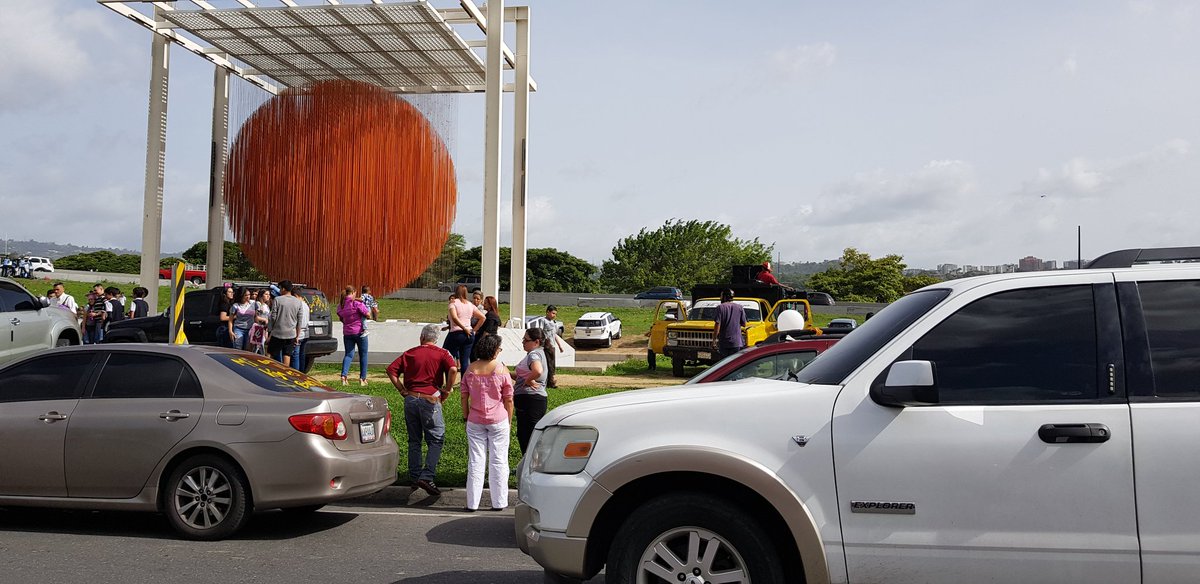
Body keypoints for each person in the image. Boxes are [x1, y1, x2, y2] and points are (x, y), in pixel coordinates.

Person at [386, 323, 458, 497]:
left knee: (414, 440)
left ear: (421, 337)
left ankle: (415, 476)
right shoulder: (442, 353)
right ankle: (427, 476)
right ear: (436, 339)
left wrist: (401, 389)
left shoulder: (410, 352)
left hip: (411, 399)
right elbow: (453, 369)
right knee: (435, 439)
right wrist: (447, 390)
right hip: (430, 399)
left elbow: (391, 370)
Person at [459, 334, 514, 512]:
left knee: (476, 460)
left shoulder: (470, 369)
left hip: (475, 419)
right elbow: (509, 399)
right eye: (499, 348)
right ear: (493, 350)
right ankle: (499, 502)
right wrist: (510, 420)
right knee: (499, 460)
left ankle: (472, 503)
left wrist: (466, 415)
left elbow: (463, 395)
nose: (499, 351)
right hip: (498, 419)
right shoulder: (501, 369)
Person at [512, 327, 549, 453]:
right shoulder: (540, 353)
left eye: (526, 340)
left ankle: (529, 467)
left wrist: (528, 381)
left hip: (529, 400)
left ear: (536, 342)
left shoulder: (534, 354)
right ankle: (529, 466)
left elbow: (537, 371)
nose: (523, 342)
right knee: (531, 435)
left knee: (526, 436)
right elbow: (524, 375)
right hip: (535, 400)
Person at [443, 284, 485, 369]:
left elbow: (454, 317)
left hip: (456, 333)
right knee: (465, 360)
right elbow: (483, 317)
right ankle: (464, 381)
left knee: (446, 357)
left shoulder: (453, 303)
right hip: (469, 333)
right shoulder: (470, 304)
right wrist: (474, 330)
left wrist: (463, 328)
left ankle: (449, 380)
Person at [338, 285, 370, 386]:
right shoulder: (356, 303)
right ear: (353, 292)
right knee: (363, 355)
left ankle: (344, 376)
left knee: (348, 354)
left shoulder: (341, 305)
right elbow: (367, 314)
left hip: (347, 333)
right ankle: (362, 378)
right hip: (360, 332)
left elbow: (340, 317)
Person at [528, 305, 566, 388]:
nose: (554, 315)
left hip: (552, 346)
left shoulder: (553, 322)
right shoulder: (543, 320)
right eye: (552, 313)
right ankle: (548, 381)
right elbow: (541, 332)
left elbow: (554, 335)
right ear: (547, 312)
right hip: (546, 346)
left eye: (555, 314)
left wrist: (560, 346)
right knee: (547, 364)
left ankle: (551, 380)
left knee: (552, 364)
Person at [267, 280, 304, 365]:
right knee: (287, 355)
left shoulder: (277, 299)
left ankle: (267, 370)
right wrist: (297, 335)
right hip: (291, 333)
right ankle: (285, 374)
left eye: (280, 288)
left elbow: (273, 316)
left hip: (278, 332)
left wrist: (271, 330)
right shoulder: (298, 302)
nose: (279, 290)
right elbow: (299, 320)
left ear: (283, 288)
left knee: (270, 353)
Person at [712, 288, 748, 360]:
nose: (720, 298)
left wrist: (714, 340)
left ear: (725, 296)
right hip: (737, 342)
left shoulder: (720, 307)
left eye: (721, 296)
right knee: (735, 364)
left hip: (724, 342)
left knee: (724, 365)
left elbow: (717, 325)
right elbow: (744, 324)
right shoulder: (740, 307)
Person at [470, 295, 503, 362]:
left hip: (488, 340)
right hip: (490, 339)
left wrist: (481, 342)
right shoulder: (493, 314)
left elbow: (487, 330)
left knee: (474, 356)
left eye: (485, 303)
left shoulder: (491, 315)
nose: (483, 304)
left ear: (490, 305)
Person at [292, 286, 311, 372]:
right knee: (302, 355)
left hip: (299, 333)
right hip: (306, 333)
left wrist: (296, 335)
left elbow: (298, 321)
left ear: (295, 296)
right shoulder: (306, 305)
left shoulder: (298, 305)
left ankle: (296, 373)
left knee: (295, 355)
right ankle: (302, 372)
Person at [249, 289, 271, 355]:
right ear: (261, 295)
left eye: (269, 295)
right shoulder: (258, 304)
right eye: (266, 294)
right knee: (258, 346)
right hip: (258, 328)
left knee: (260, 346)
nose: (268, 296)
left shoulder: (266, 306)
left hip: (264, 329)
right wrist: (265, 320)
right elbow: (255, 317)